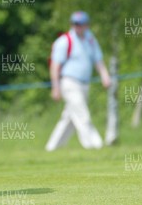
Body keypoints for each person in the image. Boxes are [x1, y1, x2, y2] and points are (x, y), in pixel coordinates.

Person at [45, 11, 111, 151]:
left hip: (84, 84)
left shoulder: (90, 40)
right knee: (82, 115)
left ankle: (52, 148)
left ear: (87, 25)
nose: (78, 27)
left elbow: (98, 60)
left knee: (69, 119)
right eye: (75, 24)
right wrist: (55, 88)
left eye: (81, 24)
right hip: (69, 83)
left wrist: (105, 76)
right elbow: (55, 67)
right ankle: (95, 146)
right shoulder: (64, 41)